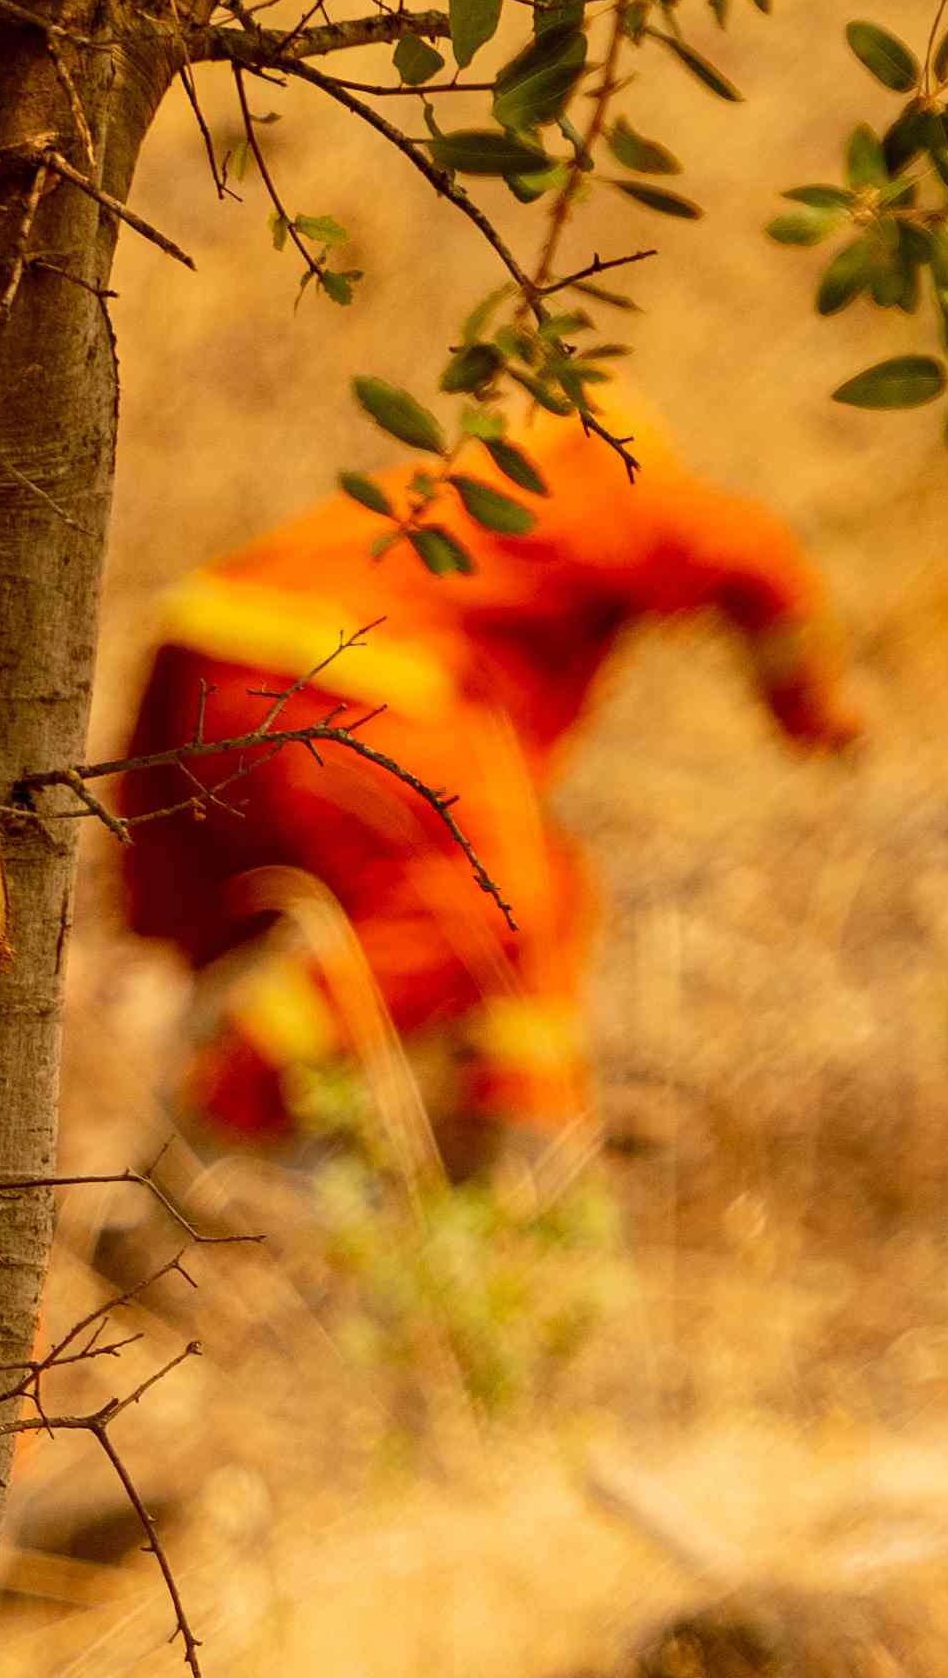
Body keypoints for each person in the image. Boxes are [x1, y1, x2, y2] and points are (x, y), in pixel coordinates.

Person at [105, 403, 861, 1230]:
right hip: (340, 673)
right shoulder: (602, 474)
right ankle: (225, 1111)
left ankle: (523, 1151)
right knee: (479, 902)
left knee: (542, 891)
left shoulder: (476, 495)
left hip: (200, 663)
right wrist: (814, 712)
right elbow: (750, 553)